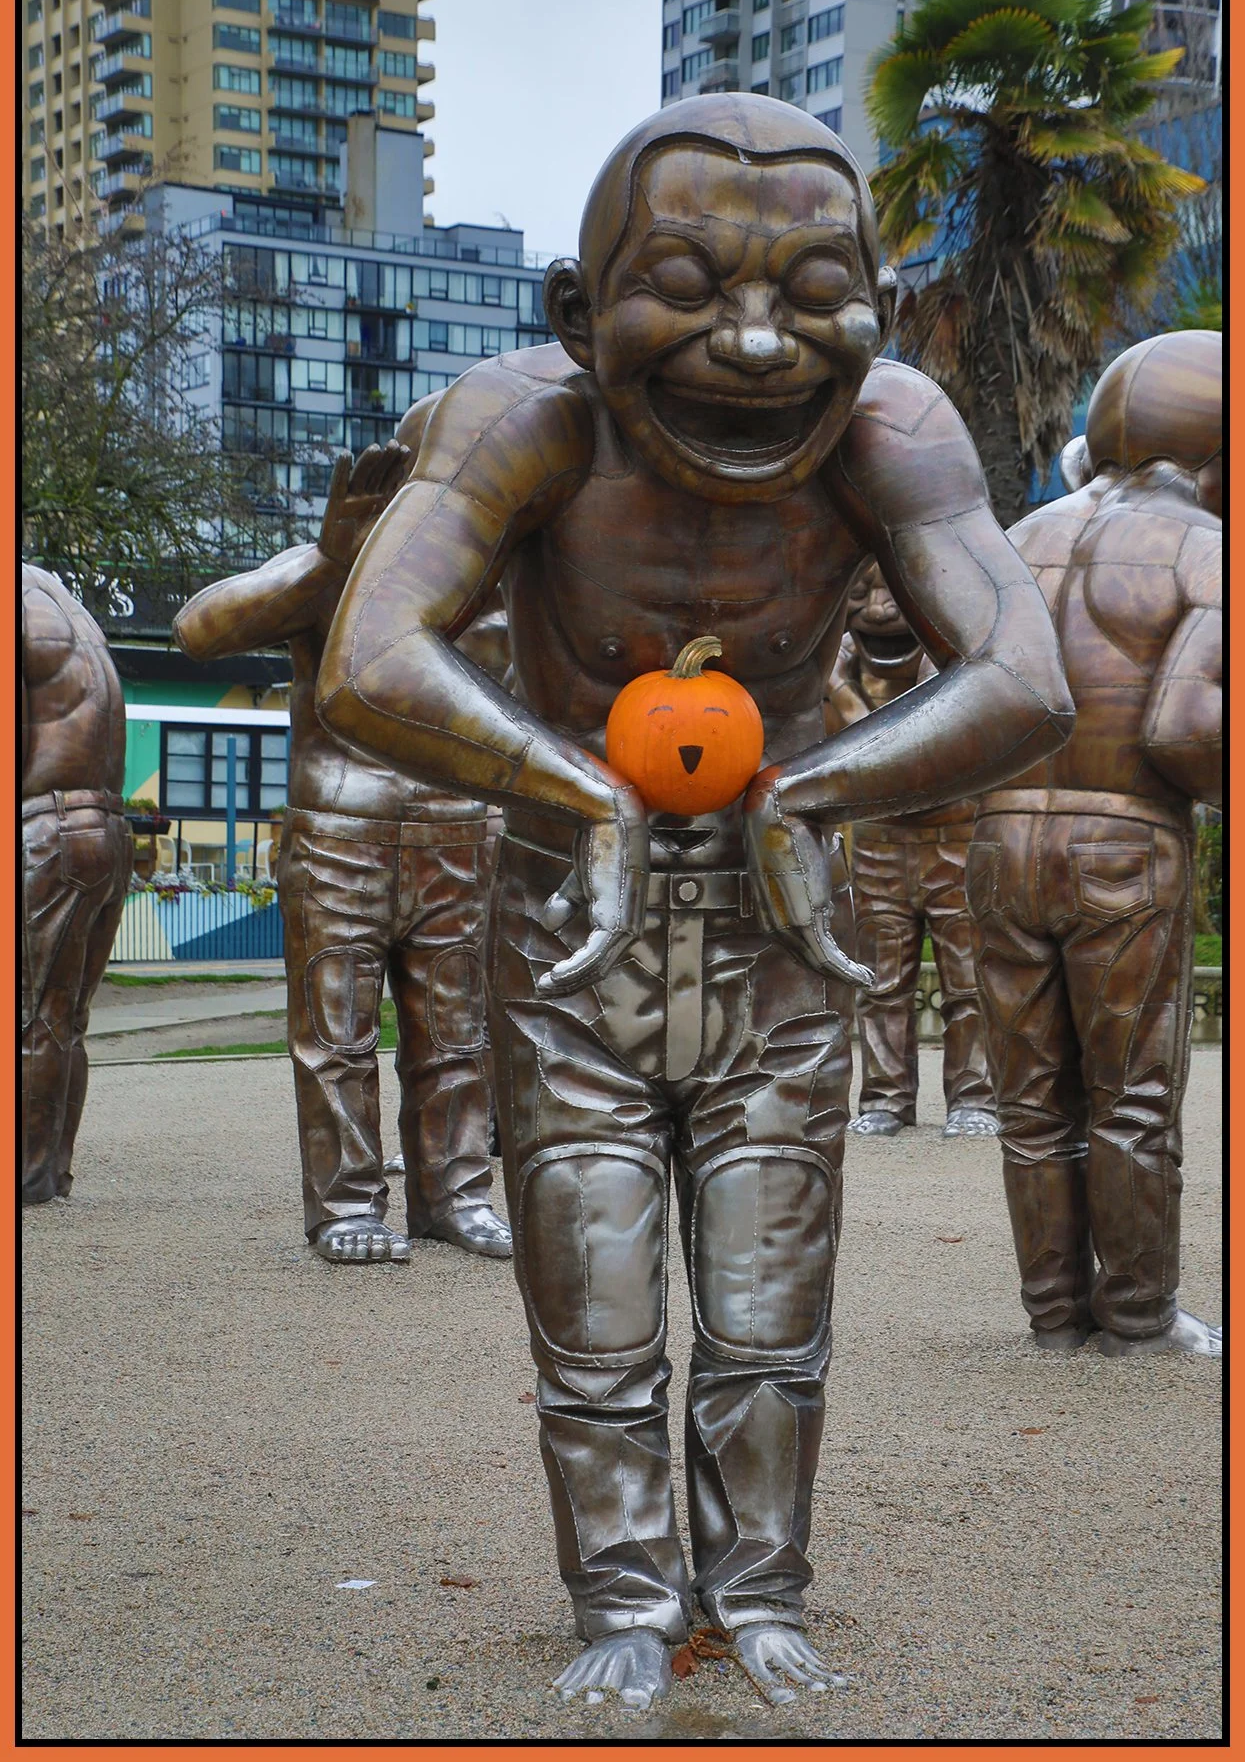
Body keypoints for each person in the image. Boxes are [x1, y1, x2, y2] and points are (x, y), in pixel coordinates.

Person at [316, 95, 1073, 1708]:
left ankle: (759, 1584)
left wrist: (805, 789)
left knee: (765, 1300)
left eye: (812, 291)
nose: (753, 344)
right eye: (688, 285)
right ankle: (625, 1594)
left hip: (782, 927)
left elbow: (1029, 676)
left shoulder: (894, 429)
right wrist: (578, 786)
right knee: (590, 1299)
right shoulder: (527, 420)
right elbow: (368, 656)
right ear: (581, 315)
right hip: (562, 932)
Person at [173, 428, 511, 1264]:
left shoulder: (509, 576)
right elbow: (198, 630)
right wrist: (330, 562)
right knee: (336, 1033)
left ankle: (456, 1194)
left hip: (464, 837)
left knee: (458, 1035)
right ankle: (346, 1204)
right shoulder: (335, 567)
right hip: (341, 832)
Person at [967, 329, 1221, 1358]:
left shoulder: (1017, 537)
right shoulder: (1207, 547)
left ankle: (1055, 1316)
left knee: (1030, 1099)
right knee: (1132, 1096)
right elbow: (1185, 728)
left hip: (1001, 840)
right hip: (1124, 846)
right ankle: (1139, 1319)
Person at [825, 563, 996, 1137]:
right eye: (861, 591)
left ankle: (973, 1095)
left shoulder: (960, 658)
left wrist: (848, 698)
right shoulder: (835, 665)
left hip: (957, 840)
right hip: (876, 842)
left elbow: (918, 738)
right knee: (879, 981)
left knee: (968, 978)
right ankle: (884, 1098)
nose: (878, 608)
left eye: (892, 590)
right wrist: (837, 686)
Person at [22, 563, 133, 1204]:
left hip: (49, 826)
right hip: (107, 829)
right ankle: (50, 1169)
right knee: (65, 1017)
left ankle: (26, 1179)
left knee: (32, 1015)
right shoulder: (65, 601)